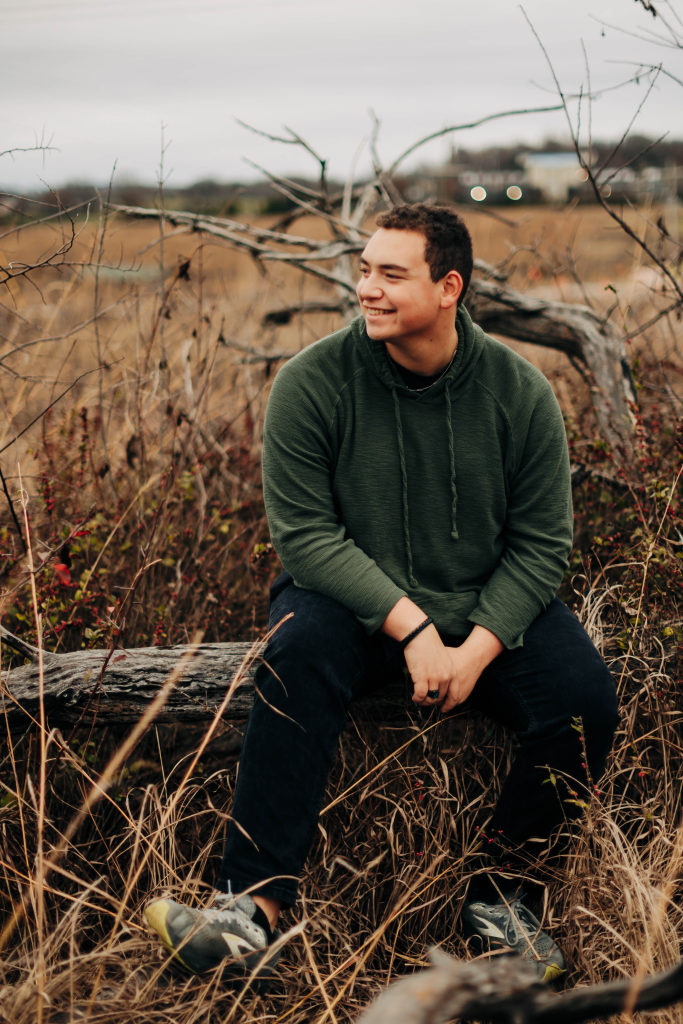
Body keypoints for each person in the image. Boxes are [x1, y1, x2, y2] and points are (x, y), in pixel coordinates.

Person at [144, 203, 618, 985]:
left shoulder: (518, 393)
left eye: (390, 275)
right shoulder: (311, 382)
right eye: (364, 270)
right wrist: (413, 631)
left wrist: (476, 649)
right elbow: (305, 538)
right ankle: (247, 911)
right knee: (295, 653)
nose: (365, 288)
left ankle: (502, 901)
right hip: (350, 603)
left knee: (582, 702)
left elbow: (541, 547)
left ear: (448, 288)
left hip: (481, 604)